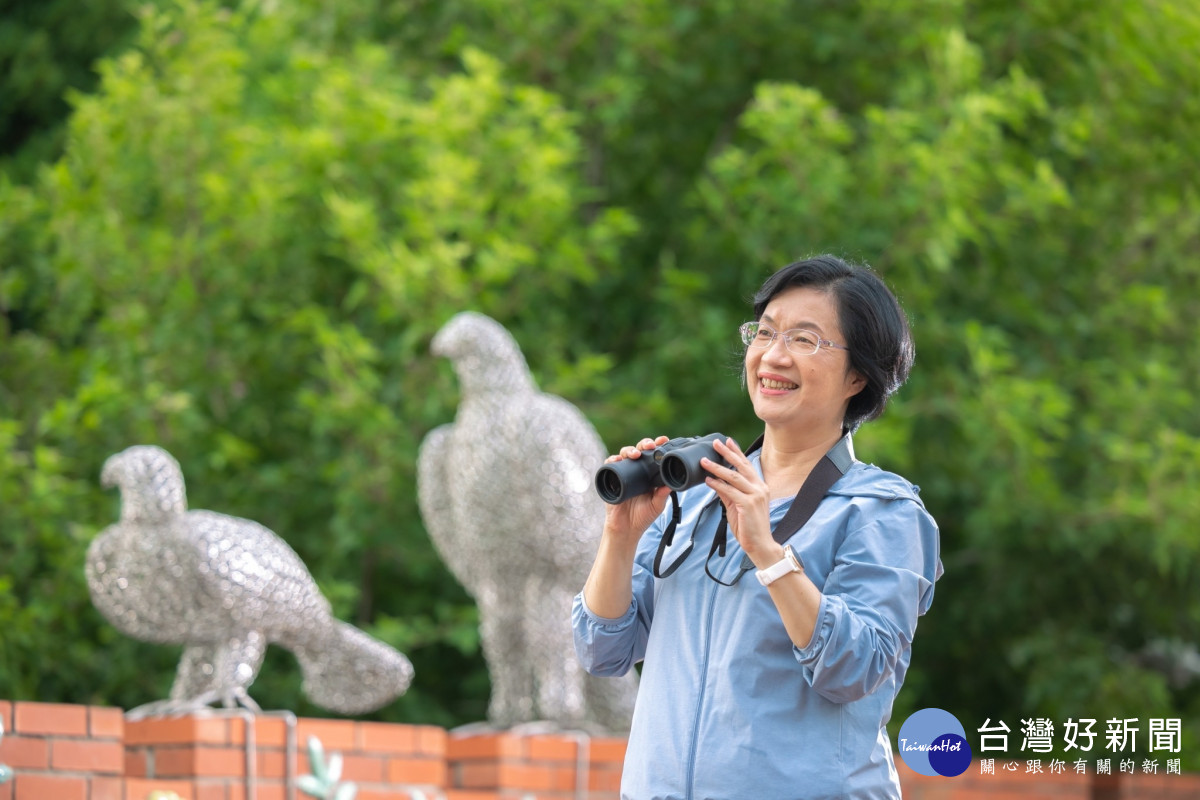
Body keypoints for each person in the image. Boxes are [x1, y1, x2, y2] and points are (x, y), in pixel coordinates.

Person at [572, 255, 942, 800]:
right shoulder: (694, 500)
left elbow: (855, 669)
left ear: (858, 376)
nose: (773, 355)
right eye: (765, 332)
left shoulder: (880, 511)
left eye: (804, 340)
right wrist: (621, 535)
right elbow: (602, 651)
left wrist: (768, 552)